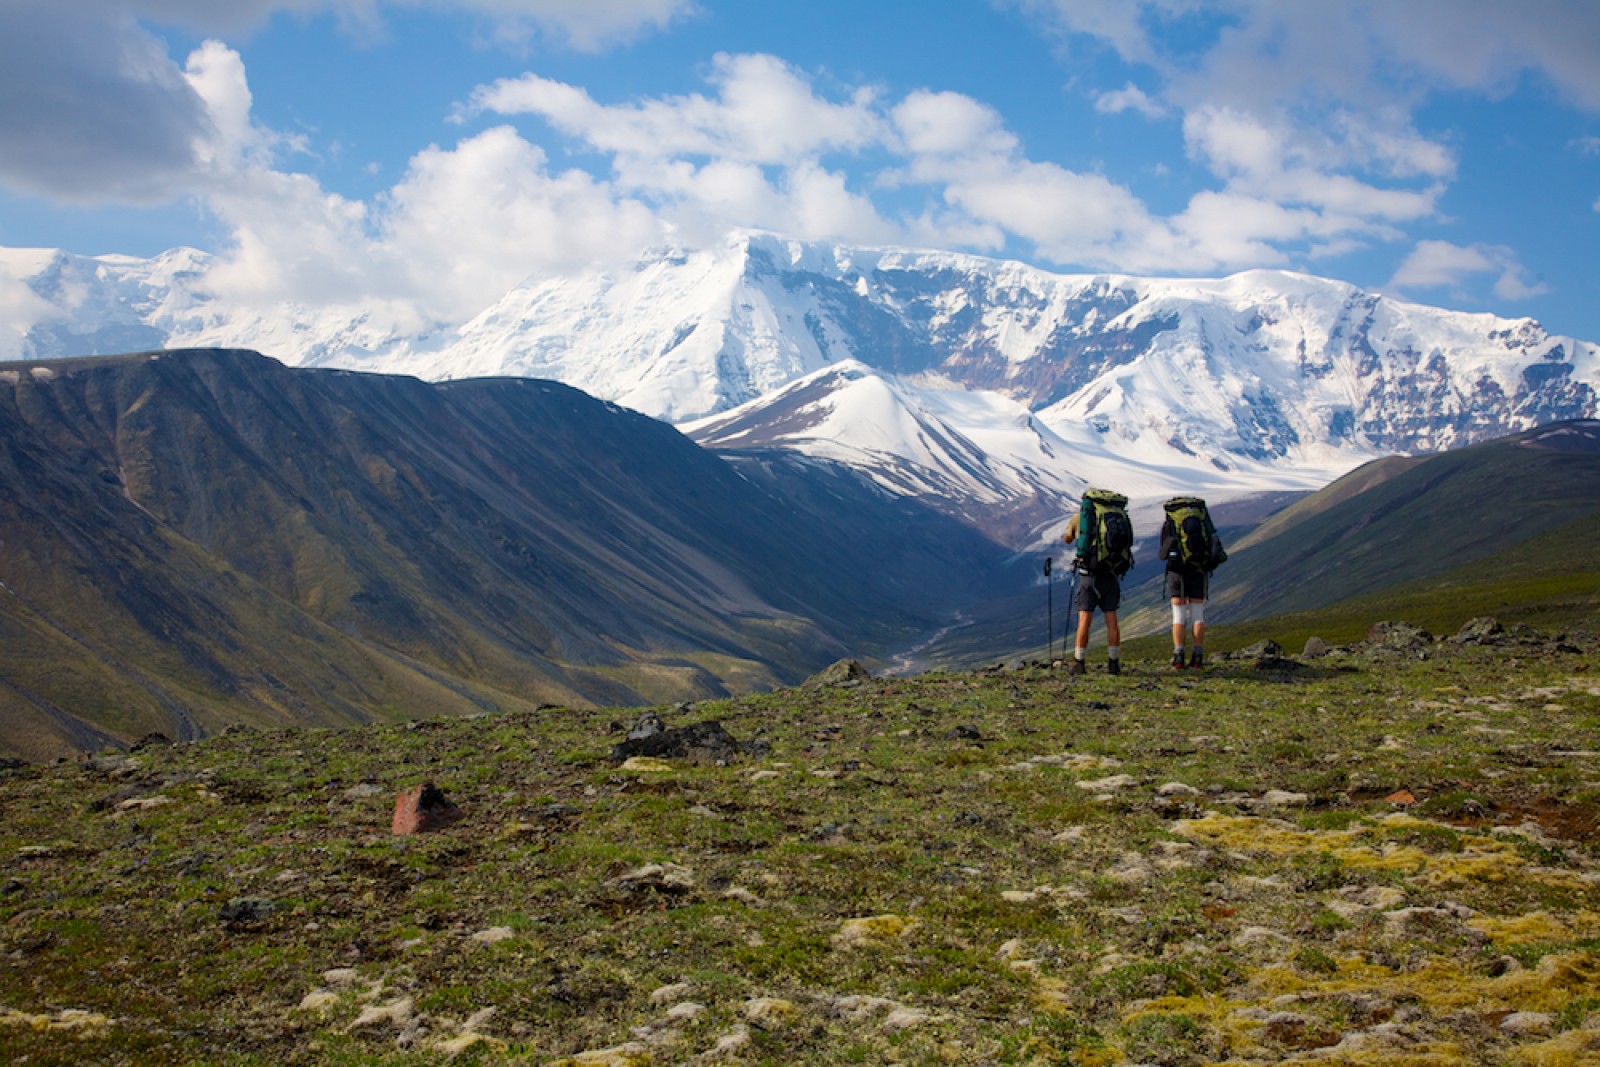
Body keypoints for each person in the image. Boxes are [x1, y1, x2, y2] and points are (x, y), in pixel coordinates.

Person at [1159, 497, 1224, 668]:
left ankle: (1179, 655)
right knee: (1198, 615)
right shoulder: (1201, 518)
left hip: (1177, 571)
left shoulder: (1171, 521)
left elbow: (1162, 553)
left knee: (1178, 615)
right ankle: (1198, 656)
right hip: (1199, 569)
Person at [1063, 504, 1124, 676]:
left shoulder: (1082, 517)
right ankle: (1113, 663)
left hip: (1088, 575)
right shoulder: (1117, 515)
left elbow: (1067, 538)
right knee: (1112, 620)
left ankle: (1080, 662)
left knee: (1084, 620)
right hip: (1110, 574)